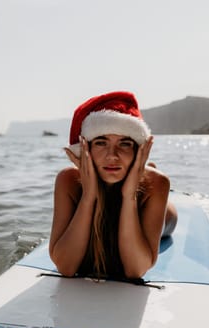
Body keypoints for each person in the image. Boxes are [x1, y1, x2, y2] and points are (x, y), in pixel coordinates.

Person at [49, 91, 177, 280]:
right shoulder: (69, 180)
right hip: (103, 182)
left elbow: (136, 270)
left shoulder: (156, 184)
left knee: (163, 203)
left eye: (124, 144)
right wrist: (89, 196)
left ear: (137, 150)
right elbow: (66, 267)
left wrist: (130, 195)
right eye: (101, 142)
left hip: (163, 217)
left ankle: (147, 169)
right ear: (86, 149)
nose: (112, 156)